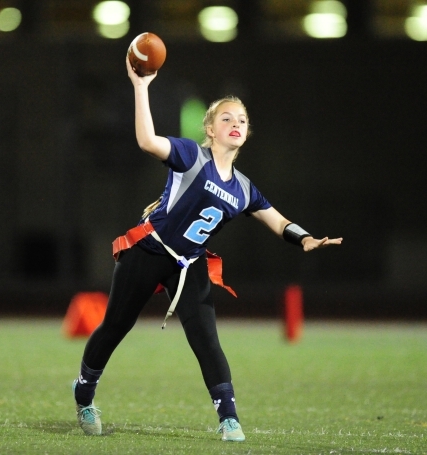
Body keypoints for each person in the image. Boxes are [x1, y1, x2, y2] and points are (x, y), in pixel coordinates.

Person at [71, 55, 343, 442]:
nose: (235, 124)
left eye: (242, 121)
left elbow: (278, 221)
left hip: (188, 264)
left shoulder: (244, 188)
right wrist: (141, 86)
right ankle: (84, 394)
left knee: (206, 339)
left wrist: (305, 238)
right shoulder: (191, 156)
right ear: (210, 130)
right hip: (150, 250)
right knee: (115, 325)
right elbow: (147, 141)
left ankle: (229, 418)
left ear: (247, 134)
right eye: (227, 119)